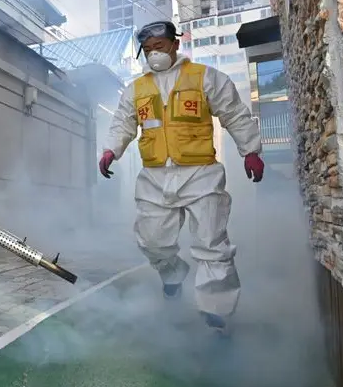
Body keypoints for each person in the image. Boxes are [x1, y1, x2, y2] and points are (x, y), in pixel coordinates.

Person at [99, 20, 264, 337]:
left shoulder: (205, 78)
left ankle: (215, 310)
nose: (153, 54)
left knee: (211, 244)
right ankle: (172, 273)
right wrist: (111, 151)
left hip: (200, 173)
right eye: (147, 50)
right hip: (154, 177)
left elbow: (234, 113)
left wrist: (251, 150)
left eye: (159, 47)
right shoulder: (136, 89)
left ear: (175, 44)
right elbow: (122, 123)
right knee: (152, 241)